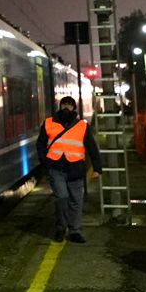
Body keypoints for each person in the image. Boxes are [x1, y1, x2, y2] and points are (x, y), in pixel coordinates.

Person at [36, 95, 91, 243]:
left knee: (76, 200)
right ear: (60, 107)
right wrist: (45, 161)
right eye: (64, 104)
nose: (66, 107)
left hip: (75, 168)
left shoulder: (82, 125)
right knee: (61, 197)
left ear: (74, 108)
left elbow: (91, 146)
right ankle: (61, 227)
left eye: (69, 105)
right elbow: (40, 144)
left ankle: (75, 231)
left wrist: (97, 168)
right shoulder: (49, 123)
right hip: (56, 168)